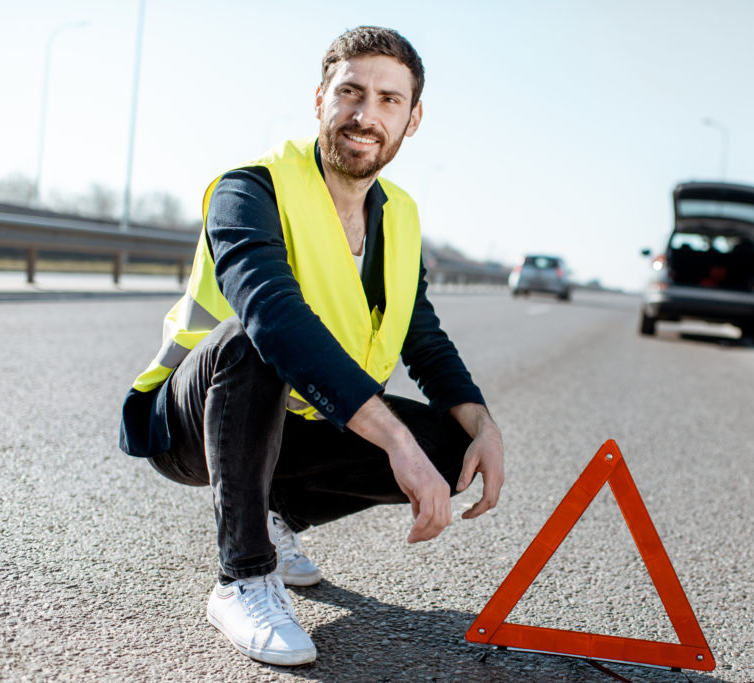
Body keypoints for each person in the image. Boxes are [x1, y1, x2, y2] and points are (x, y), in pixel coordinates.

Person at [118, 26, 504, 667]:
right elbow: (273, 318)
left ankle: (276, 515)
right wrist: (395, 441)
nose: (365, 114)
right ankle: (243, 578)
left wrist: (482, 425)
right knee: (253, 341)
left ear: (412, 120)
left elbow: (423, 336)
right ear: (320, 97)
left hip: (299, 421)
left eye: (388, 100)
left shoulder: (400, 217)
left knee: (452, 449)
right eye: (350, 92)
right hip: (196, 422)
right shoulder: (249, 190)